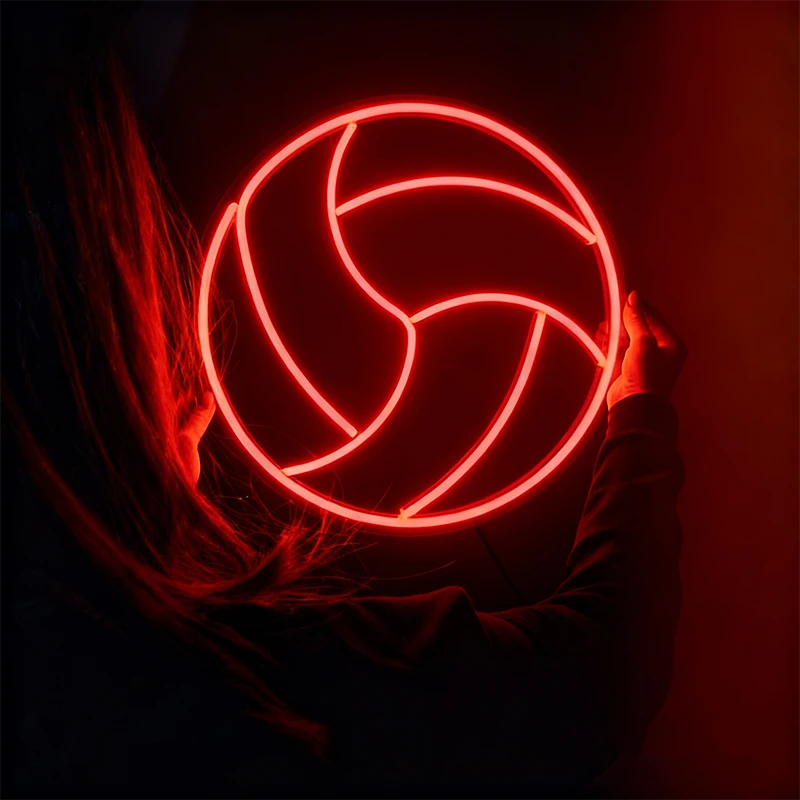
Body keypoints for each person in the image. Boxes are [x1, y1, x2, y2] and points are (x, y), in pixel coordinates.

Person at [6, 9, 687, 794]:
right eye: (150, 377)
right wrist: (639, 413)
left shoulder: (59, 671)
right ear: (117, 428)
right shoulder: (254, 660)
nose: (191, 400)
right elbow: (598, 675)